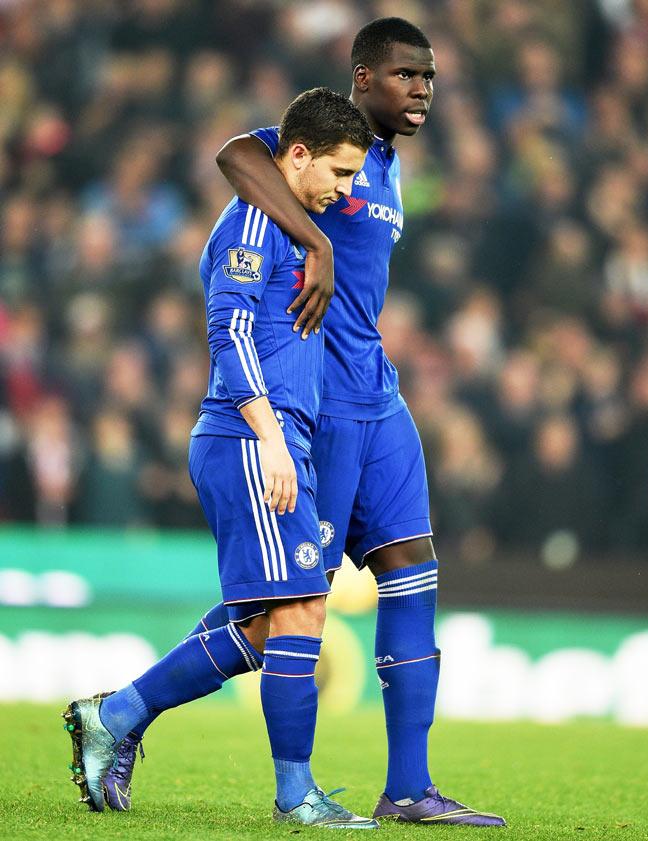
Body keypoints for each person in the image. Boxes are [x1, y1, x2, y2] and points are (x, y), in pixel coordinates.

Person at [73, 17, 506, 828]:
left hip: (379, 394)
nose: (422, 91)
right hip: (316, 403)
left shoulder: (386, 165)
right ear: (362, 77)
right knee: (286, 612)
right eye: (406, 75)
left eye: (429, 78)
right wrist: (316, 242)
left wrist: (328, 246)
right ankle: (125, 711)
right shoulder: (300, 150)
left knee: (412, 566)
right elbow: (237, 154)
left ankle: (409, 786)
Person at [62, 86, 378, 829]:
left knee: (266, 622)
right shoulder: (253, 224)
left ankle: (117, 713)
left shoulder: (295, 226)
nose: (346, 189)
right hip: (246, 440)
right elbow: (229, 335)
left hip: (278, 440)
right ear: (296, 157)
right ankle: (297, 794)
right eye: (338, 172)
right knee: (300, 608)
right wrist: (271, 437)